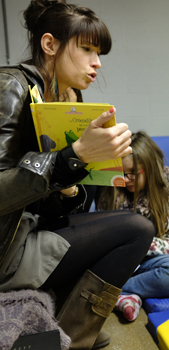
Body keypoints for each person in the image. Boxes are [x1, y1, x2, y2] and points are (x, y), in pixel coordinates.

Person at [0, 1, 154, 349]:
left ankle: (62, 330)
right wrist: (73, 156)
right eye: (86, 49)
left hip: (21, 232)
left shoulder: (48, 96)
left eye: (98, 52)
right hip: (5, 249)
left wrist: (70, 186)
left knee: (129, 223)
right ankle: (64, 340)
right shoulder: (11, 86)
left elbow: (42, 194)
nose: (97, 62)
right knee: (136, 230)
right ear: (50, 45)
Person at [97, 132, 169, 322]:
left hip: (152, 262)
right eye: (122, 173)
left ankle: (111, 290)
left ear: (150, 168)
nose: (126, 179)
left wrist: (132, 244)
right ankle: (129, 296)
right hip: (119, 261)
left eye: (133, 172)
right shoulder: (113, 191)